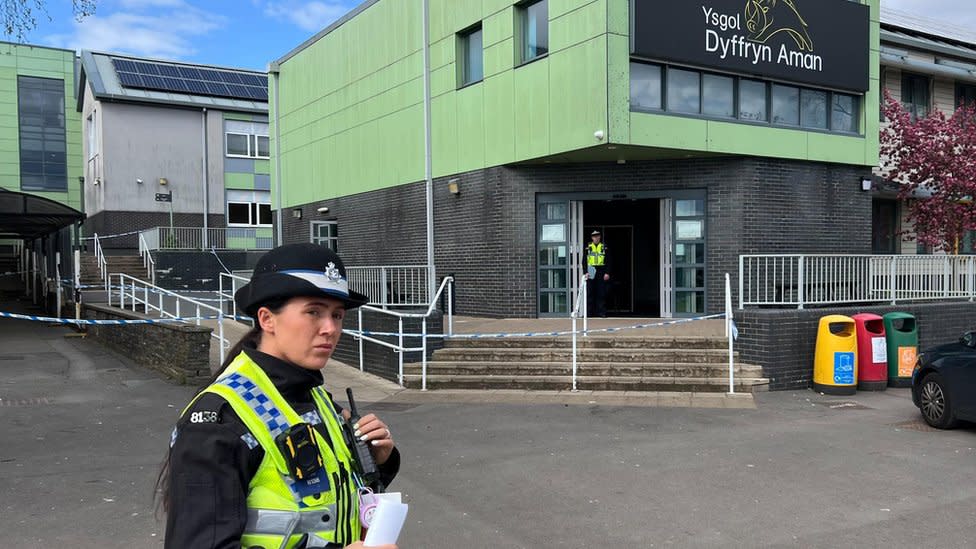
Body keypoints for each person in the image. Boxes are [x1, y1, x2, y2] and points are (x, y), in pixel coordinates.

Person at [159, 243, 400, 549]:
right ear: (266, 319)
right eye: (313, 311)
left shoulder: (315, 396)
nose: (330, 329)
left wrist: (378, 461)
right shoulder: (218, 419)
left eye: (337, 315)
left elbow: (328, 498)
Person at [585, 229, 611, 317]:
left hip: (601, 270)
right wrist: (585, 272)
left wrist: (607, 272)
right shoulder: (588, 247)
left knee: (601, 293)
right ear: (592, 237)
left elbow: (608, 261)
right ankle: (589, 313)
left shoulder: (604, 247)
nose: (596, 238)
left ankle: (601, 313)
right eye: (594, 236)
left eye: (597, 236)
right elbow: (584, 261)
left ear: (600, 237)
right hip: (591, 270)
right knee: (590, 292)